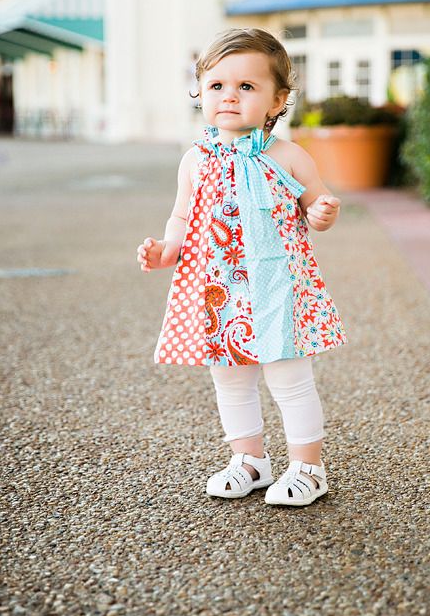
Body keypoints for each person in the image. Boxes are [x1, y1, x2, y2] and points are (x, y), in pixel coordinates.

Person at [137, 28, 347, 507]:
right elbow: (182, 216)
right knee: (229, 379)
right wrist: (167, 250)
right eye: (217, 86)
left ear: (278, 100)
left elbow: (317, 205)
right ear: (201, 92)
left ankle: (308, 467)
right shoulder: (195, 160)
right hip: (219, 290)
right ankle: (249, 459)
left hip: (279, 289)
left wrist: (321, 213)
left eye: (247, 87)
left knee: (289, 378)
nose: (229, 96)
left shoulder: (288, 157)